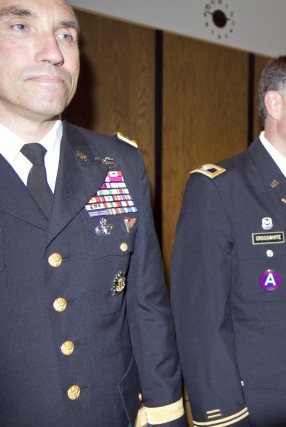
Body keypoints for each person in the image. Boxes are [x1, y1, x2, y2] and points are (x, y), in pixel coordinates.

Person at [0, 0, 185, 425]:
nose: (54, 52)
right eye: (21, 27)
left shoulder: (119, 163)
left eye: (67, 35)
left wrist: (165, 414)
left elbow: (147, 305)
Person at [171, 54, 286, 427]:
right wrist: (223, 415)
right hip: (259, 405)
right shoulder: (220, 188)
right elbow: (201, 319)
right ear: (274, 103)